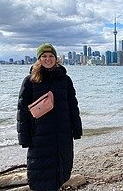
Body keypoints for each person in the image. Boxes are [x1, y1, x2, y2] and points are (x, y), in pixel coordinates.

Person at [17, 43, 82, 191]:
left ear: (56, 59)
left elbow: (73, 106)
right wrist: (24, 138)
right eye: (44, 56)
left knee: (62, 170)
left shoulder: (65, 80)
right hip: (40, 136)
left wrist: (77, 130)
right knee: (40, 172)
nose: (48, 59)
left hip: (63, 134)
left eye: (51, 56)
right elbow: (22, 111)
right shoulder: (30, 81)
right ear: (39, 59)